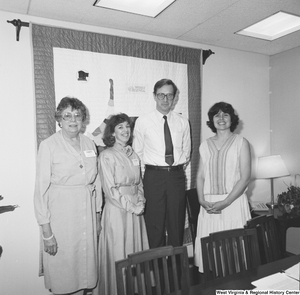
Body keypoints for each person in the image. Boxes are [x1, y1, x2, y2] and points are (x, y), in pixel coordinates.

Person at [34, 97, 102, 295]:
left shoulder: (89, 143)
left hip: (87, 214)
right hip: (61, 216)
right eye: (67, 116)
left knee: (85, 271)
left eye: (77, 115)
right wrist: (47, 233)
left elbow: (96, 182)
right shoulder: (48, 145)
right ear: (59, 120)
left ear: (83, 120)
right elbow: (40, 191)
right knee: (63, 272)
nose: (73, 120)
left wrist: (97, 217)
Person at [94, 113, 149, 295]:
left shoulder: (132, 153)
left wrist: (141, 201)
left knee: (135, 254)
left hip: (136, 209)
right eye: (120, 127)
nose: (125, 130)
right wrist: (132, 207)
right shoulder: (106, 156)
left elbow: (139, 183)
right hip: (118, 210)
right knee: (119, 253)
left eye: (127, 126)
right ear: (112, 132)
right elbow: (110, 191)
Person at [133, 78, 191, 248]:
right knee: (154, 224)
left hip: (176, 177)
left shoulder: (183, 122)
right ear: (154, 96)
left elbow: (186, 152)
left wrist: (174, 170)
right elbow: (138, 153)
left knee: (176, 223)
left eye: (169, 95)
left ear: (174, 97)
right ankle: (157, 270)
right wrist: (149, 176)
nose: (165, 100)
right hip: (153, 177)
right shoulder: (143, 121)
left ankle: (176, 271)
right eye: (161, 95)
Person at [194, 101, 252, 272]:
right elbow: (200, 176)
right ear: (211, 120)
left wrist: (225, 203)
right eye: (216, 115)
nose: (221, 118)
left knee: (235, 256)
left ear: (231, 119)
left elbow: (245, 178)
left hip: (233, 203)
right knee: (212, 254)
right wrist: (201, 201)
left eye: (225, 114)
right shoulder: (204, 145)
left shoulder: (241, 143)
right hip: (209, 205)